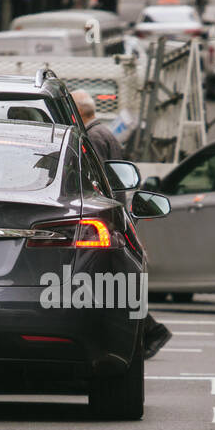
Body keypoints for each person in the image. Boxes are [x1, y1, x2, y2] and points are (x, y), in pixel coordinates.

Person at [70, 89, 173, 359]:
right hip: (115, 216)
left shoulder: (92, 137)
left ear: (79, 112)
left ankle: (149, 331)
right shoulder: (106, 133)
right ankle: (147, 331)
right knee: (114, 282)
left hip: (106, 218)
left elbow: (98, 184)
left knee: (110, 283)